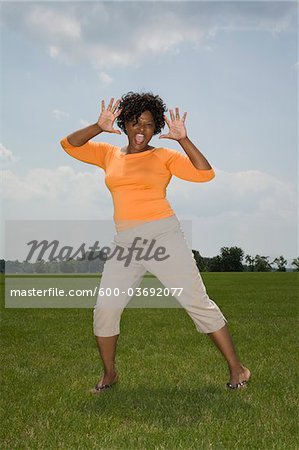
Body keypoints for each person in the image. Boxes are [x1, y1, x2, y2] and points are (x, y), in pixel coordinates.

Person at [60, 92, 251, 394]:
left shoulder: (164, 156)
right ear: (123, 123)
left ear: (156, 128)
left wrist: (183, 140)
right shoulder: (109, 155)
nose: (141, 130)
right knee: (105, 308)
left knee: (197, 303)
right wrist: (98, 126)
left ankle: (237, 368)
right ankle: (110, 374)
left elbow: (205, 173)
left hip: (163, 236)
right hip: (125, 242)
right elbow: (68, 145)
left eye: (148, 125)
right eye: (134, 123)